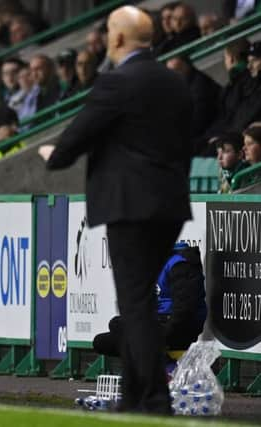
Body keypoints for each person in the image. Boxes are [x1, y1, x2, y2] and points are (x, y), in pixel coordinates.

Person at [39, 6, 193, 414]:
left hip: (130, 207)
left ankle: (154, 399)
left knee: (135, 304)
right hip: (170, 204)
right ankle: (133, 396)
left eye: (109, 32)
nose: (108, 38)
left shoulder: (116, 82)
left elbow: (76, 137)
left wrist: (53, 154)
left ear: (119, 39)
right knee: (138, 300)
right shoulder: (176, 82)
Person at [93, 243, 207, 360]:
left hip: (180, 328)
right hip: (160, 321)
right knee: (111, 330)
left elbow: (185, 310)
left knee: (127, 336)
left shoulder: (179, 263)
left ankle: (158, 360)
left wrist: (161, 335)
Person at [166, 55, 221, 138]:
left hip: (210, 131)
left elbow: (198, 122)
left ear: (186, 66)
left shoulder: (200, 86)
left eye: (176, 70)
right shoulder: (185, 85)